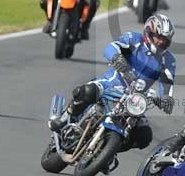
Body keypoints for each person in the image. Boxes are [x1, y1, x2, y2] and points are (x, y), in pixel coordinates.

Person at [61, 13, 177, 166]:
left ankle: (107, 149)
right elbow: (111, 47)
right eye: (158, 37)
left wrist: (167, 99)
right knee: (86, 91)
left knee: (144, 136)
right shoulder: (133, 39)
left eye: (165, 40)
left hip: (135, 100)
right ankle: (65, 117)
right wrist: (117, 58)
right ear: (148, 32)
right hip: (111, 83)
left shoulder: (168, 60)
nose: (161, 42)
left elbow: (167, 83)